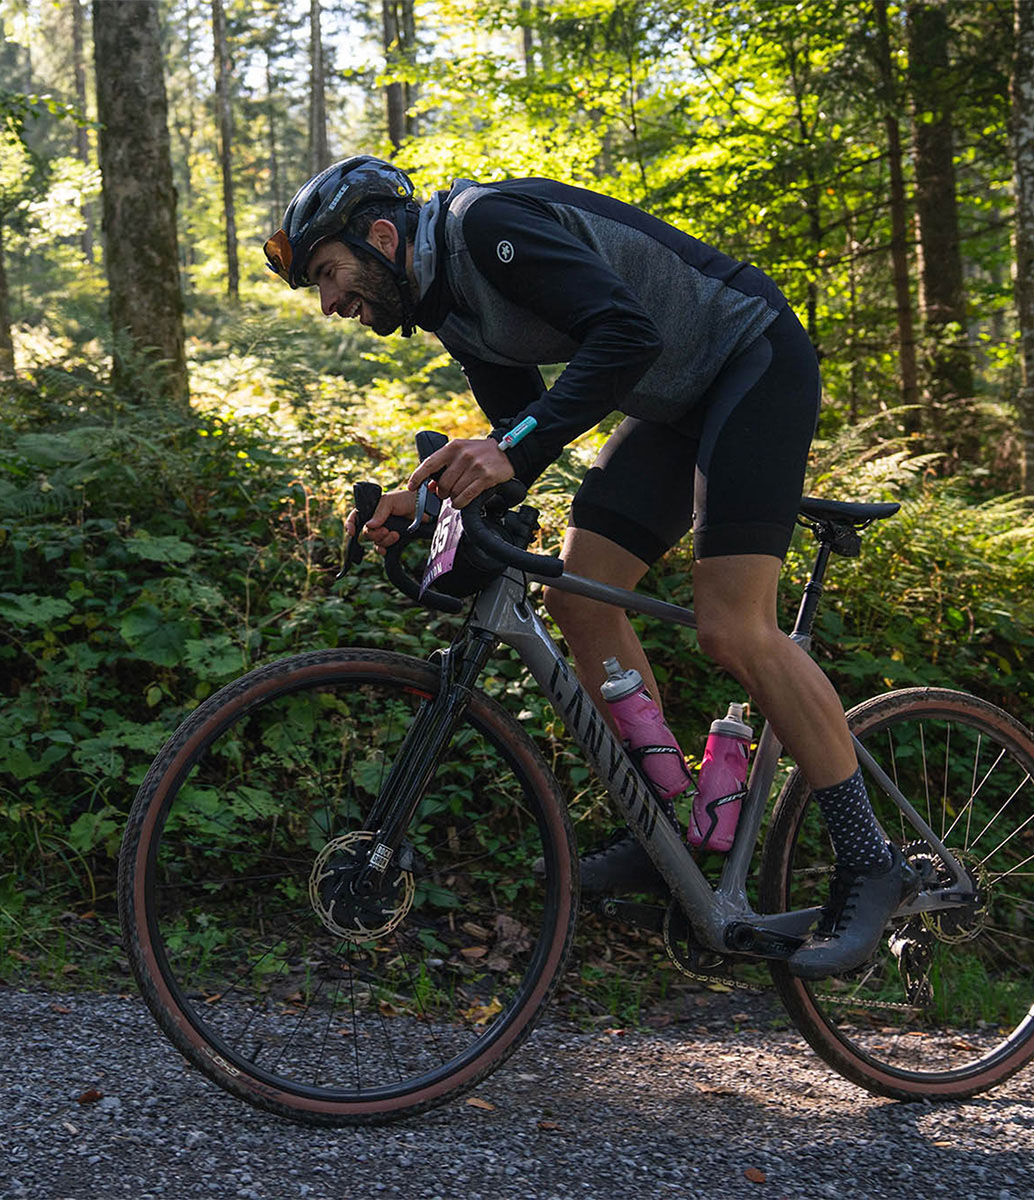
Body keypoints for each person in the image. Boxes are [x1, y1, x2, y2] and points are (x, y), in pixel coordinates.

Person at [264, 155, 916, 977]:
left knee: (731, 626)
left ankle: (870, 860)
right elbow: (521, 439)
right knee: (579, 597)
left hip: (751, 359)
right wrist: (428, 501)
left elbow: (625, 334)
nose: (330, 302)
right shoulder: (447, 309)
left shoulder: (486, 228)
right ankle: (672, 822)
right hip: (671, 403)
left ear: (383, 237)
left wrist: (505, 450)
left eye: (329, 273)